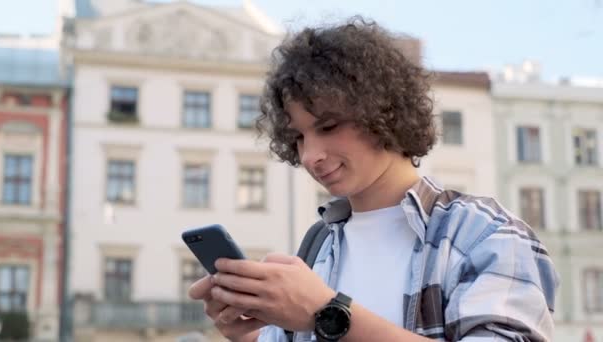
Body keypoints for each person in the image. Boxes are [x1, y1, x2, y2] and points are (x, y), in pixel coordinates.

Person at [189, 17, 559, 342]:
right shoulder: (317, 248)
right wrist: (251, 336)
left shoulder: (483, 234)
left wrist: (327, 313)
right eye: (298, 137)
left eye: (329, 126)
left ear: (385, 112)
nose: (310, 155)